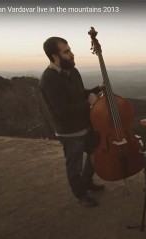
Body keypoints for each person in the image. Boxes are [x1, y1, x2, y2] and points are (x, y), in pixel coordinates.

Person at [39, 37, 105, 208]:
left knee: (95, 154)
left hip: (85, 125)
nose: (72, 54)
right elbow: (62, 110)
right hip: (69, 132)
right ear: (55, 56)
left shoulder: (72, 72)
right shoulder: (49, 79)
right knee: (74, 165)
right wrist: (89, 103)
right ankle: (81, 195)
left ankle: (87, 181)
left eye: (70, 50)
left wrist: (96, 89)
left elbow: (79, 93)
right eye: (66, 52)